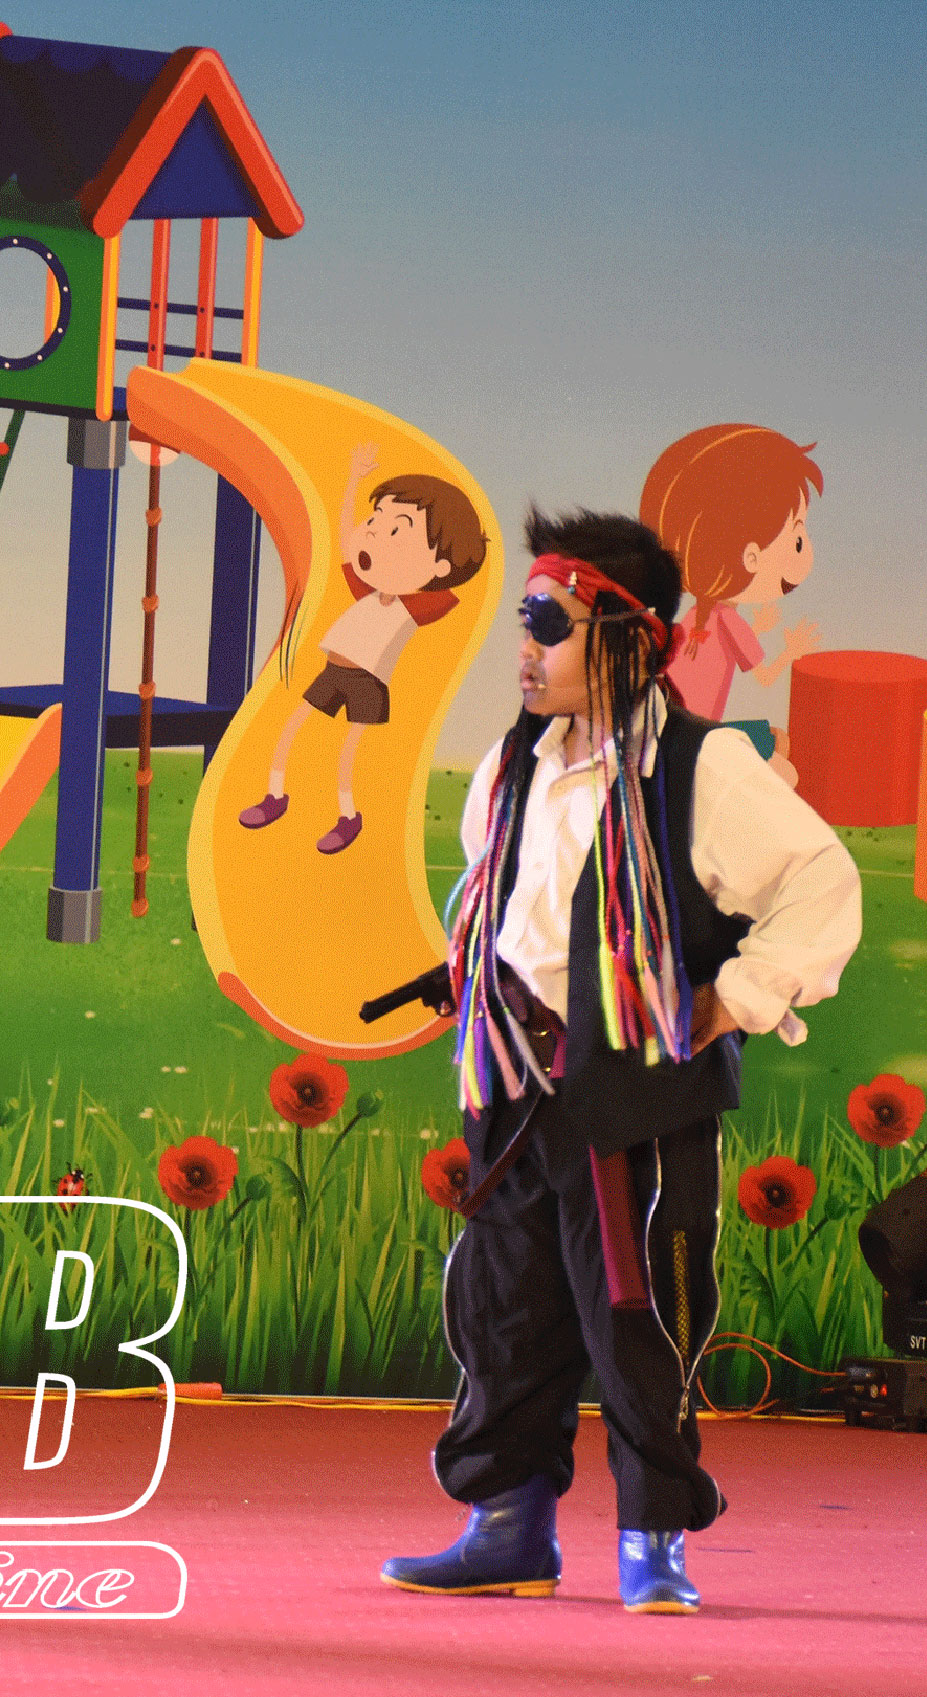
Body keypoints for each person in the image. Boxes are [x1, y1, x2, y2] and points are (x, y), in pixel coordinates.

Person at [376, 508, 860, 1614]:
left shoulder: (700, 767)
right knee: (506, 1313)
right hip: (517, 1093)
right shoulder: (514, 763)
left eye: (550, 623)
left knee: (641, 1321)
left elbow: (821, 886)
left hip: (634, 1099)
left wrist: (729, 999)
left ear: (630, 638)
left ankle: (653, 1541)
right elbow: (506, 896)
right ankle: (507, 1528)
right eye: (524, 620)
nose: (525, 646)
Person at [236, 457, 487, 853]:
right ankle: (274, 796)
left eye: (396, 531)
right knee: (292, 729)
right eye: (374, 522)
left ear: (438, 567)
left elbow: (450, 581)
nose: (373, 534)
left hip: (366, 683)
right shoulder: (365, 591)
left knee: (346, 754)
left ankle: (347, 817)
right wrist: (354, 479)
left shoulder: (413, 607)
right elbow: (345, 544)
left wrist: (446, 553)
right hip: (332, 671)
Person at [638, 424, 822, 778]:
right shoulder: (726, 620)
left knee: (773, 738)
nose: (805, 550)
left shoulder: (698, 615)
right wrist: (791, 651)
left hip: (679, 734)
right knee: (783, 762)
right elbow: (765, 676)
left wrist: (758, 629)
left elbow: (710, 661)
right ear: (751, 557)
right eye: (797, 539)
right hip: (699, 740)